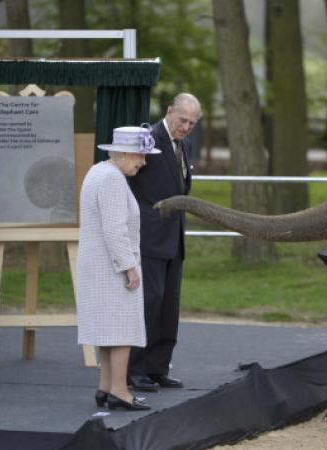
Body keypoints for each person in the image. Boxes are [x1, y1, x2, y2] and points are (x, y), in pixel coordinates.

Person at [76, 125, 162, 411]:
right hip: (111, 267)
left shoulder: (98, 171)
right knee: (122, 330)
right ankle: (120, 390)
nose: (144, 162)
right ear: (125, 153)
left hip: (97, 266)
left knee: (108, 329)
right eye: (141, 155)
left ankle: (105, 387)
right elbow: (115, 230)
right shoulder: (112, 179)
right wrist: (129, 267)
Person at [127, 93, 202, 391]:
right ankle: (134, 369)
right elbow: (131, 181)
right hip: (149, 235)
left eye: (192, 124)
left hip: (174, 238)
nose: (186, 127)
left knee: (169, 306)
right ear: (169, 111)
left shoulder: (187, 145)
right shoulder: (148, 139)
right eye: (182, 120)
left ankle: (158, 367)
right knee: (149, 302)